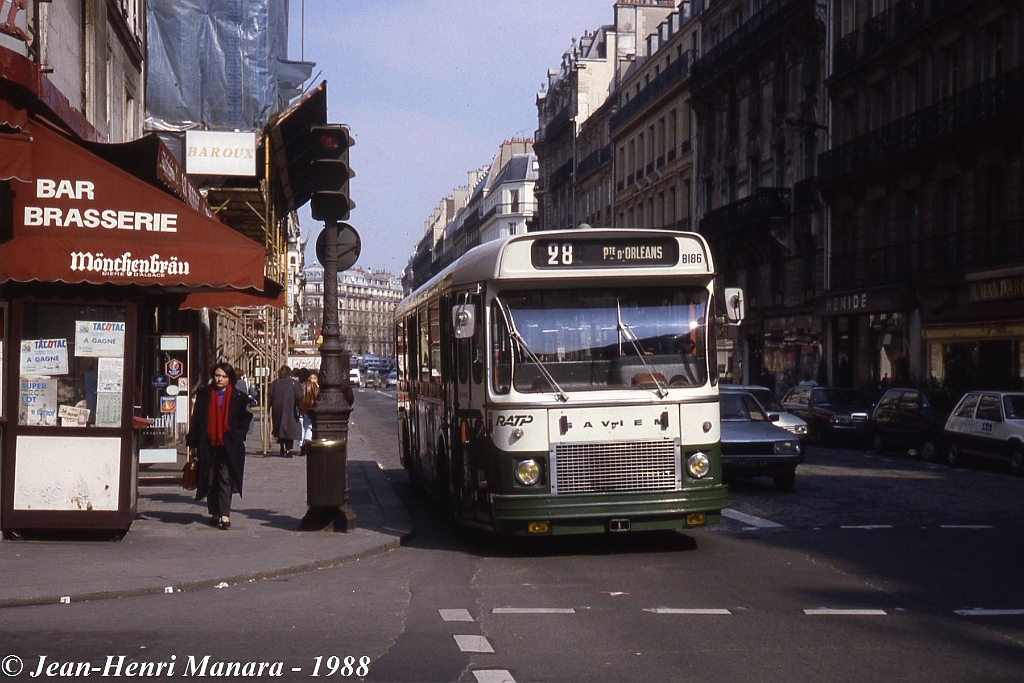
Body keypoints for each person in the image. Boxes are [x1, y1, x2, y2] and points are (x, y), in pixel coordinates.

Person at [186, 362, 253, 530]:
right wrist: (192, 442)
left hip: (228, 444)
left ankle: (224, 514)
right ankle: (214, 512)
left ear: (229, 378)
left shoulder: (238, 396)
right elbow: (197, 419)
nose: (220, 379)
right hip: (208, 443)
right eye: (217, 375)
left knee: (225, 477)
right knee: (210, 478)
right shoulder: (204, 394)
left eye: (223, 376)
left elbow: (246, 418)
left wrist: (238, 435)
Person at [268, 365, 303, 457]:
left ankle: (282, 447)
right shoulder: (294, 383)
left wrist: (268, 408)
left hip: (277, 410)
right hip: (290, 409)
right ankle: (288, 449)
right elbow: (300, 396)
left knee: (280, 429)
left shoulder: (275, 383)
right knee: (289, 430)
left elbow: (269, 396)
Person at [297, 369, 320, 456]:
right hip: (310, 409)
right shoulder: (313, 385)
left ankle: (301, 446)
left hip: (300, 409)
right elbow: (317, 395)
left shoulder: (299, 385)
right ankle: (307, 442)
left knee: (301, 428)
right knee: (309, 427)